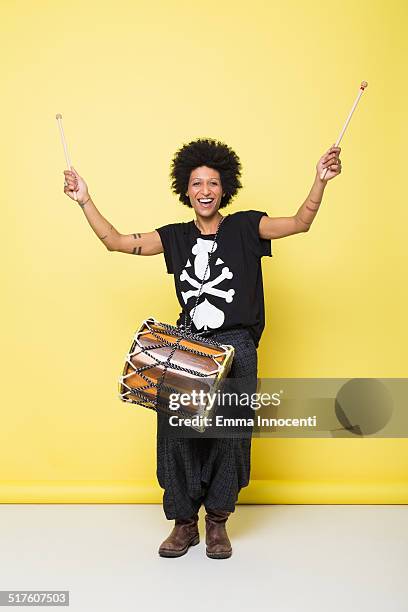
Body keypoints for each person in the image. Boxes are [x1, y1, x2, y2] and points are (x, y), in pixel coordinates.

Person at [63, 137, 342, 559]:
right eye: (197, 183)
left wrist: (320, 180)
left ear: (224, 188)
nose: (205, 190)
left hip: (237, 344)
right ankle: (183, 522)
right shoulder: (174, 237)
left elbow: (301, 221)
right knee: (176, 432)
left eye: (213, 182)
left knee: (229, 435)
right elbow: (116, 241)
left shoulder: (248, 226)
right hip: (189, 344)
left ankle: (217, 523)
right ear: (186, 189)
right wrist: (85, 200)